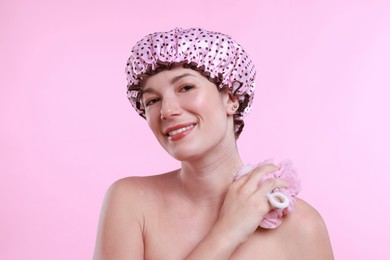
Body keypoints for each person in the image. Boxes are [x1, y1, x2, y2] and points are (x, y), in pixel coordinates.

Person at [94, 27, 334, 259]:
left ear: (231, 98)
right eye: (152, 100)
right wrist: (228, 232)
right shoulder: (132, 203)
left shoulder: (301, 226)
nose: (166, 110)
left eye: (186, 87)